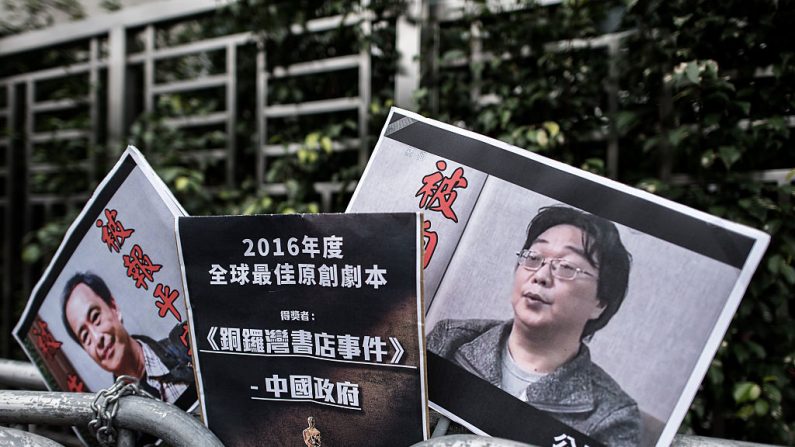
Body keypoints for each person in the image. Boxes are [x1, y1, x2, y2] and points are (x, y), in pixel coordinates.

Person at [427, 206, 640, 446]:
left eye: (567, 267)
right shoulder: (450, 339)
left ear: (600, 303)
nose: (540, 275)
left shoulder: (613, 414)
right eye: (534, 257)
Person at [60, 272, 193, 403]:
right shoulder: (115, 419)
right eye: (85, 336)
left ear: (114, 308)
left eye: (95, 317)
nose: (97, 338)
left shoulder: (185, 345)